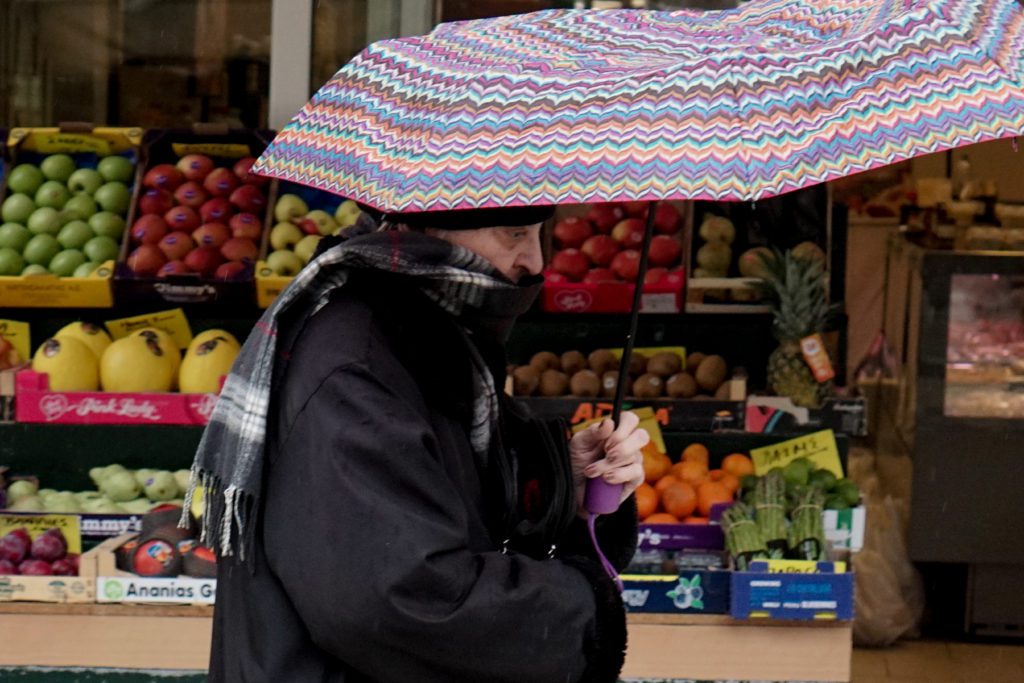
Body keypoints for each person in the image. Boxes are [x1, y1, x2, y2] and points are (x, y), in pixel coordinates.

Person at [185, 204, 649, 682]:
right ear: (432, 229)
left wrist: (561, 485)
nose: (533, 261)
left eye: (537, 235)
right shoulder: (358, 365)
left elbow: (451, 495)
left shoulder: (423, 332)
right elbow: (399, 600)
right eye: (514, 234)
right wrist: (585, 613)